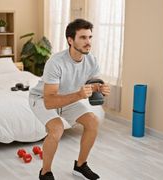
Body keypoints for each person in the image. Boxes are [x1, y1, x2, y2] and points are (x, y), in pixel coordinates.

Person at [29, 18, 110, 180]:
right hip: (42, 98)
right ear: (70, 40)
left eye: (89, 37)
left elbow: (93, 86)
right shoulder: (56, 62)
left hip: (68, 99)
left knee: (93, 121)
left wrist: (101, 88)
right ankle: (45, 172)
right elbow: (49, 101)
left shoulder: (91, 60)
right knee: (57, 128)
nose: (88, 42)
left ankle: (80, 165)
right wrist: (79, 95)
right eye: (83, 38)